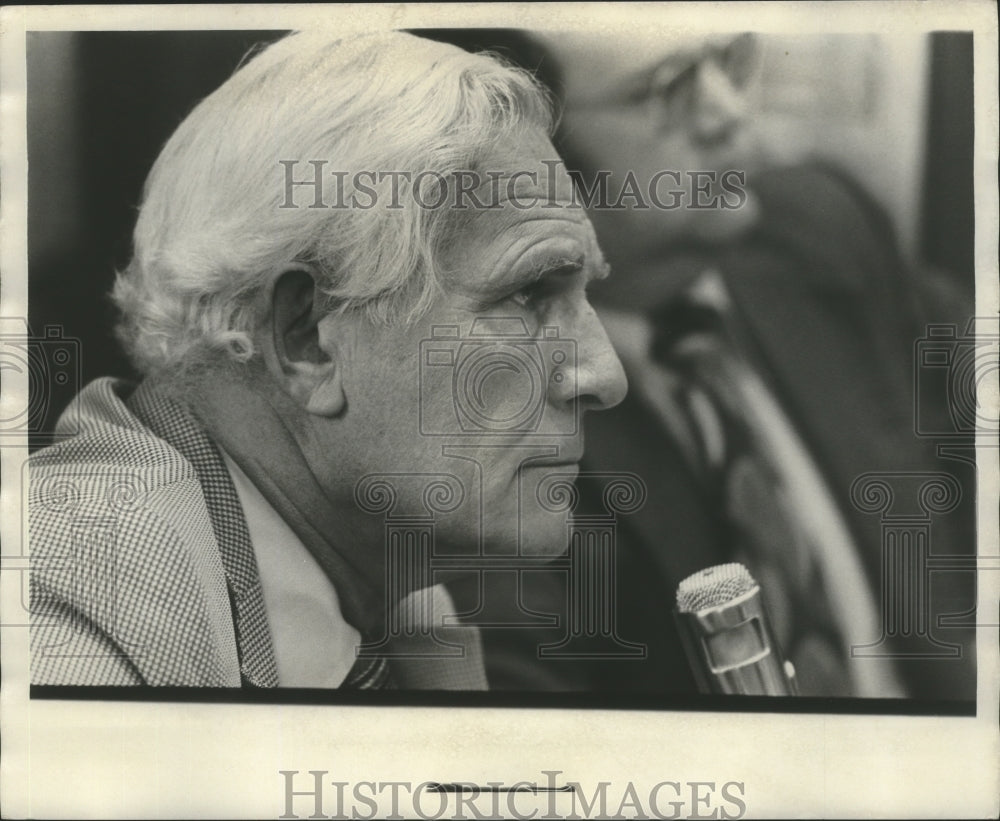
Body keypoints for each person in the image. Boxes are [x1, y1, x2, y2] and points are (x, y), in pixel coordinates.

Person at [28, 30, 629, 689]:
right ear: (307, 338)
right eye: (526, 294)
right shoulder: (63, 632)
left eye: (585, 294)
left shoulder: (398, 604)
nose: (604, 376)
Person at [420, 29, 977, 700]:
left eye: (727, 63)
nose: (729, 114)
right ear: (528, 154)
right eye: (667, 89)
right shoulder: (484, 413)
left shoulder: (821, 230)